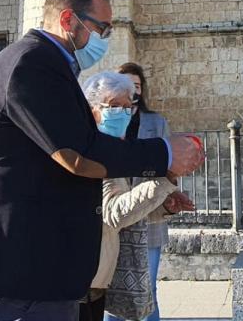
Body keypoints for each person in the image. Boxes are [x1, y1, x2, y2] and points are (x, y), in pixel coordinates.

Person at [0, 0, 204, 321]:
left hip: (43, 269)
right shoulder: (32, 64)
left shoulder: (49, 66)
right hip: (19, 270)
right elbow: (78, 156)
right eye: (102, 27)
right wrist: (164, 154)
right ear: (69, 19)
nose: (105, 37)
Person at [79, 72, 194, 321]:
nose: (122, 113)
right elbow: (114, 213)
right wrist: (164, 179)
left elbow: (122, 208)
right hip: (83, 278)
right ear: (92, 110)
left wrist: (163, 207)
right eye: (114, 106)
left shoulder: (112, 148)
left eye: (127, 107)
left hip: (99, 278)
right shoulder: (91, 152)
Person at [111, 63, 185, 321]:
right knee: (110, 295)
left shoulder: (157, 122)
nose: (132, 91)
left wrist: (171, 198)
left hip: (148, 215)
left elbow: (169, 166)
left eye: (137, 86)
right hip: (114, 217)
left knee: (148, 291)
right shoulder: (108, 122)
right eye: (126, 85)